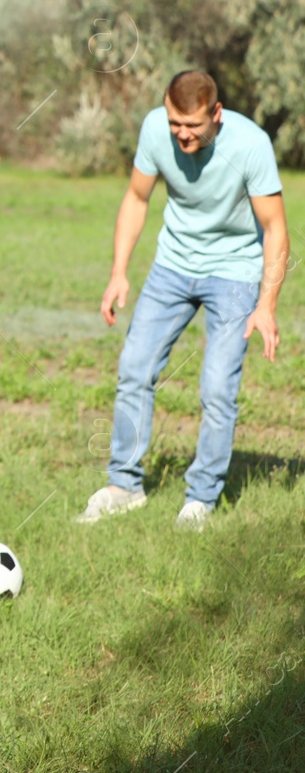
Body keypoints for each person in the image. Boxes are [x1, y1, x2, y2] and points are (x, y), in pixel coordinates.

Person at [80, 70, 289, 530]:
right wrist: (118, 273)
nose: (181, 134)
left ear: (216, 114)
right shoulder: (156, 128)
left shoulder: (250, 145)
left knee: (217, 388)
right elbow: (137, 198)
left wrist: (266, 305)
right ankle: (124, 485)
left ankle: (201, 497)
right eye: (176, 122)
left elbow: (275, 228)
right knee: (134, 369)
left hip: (234, 271)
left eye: (192, 125)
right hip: (172, 266)